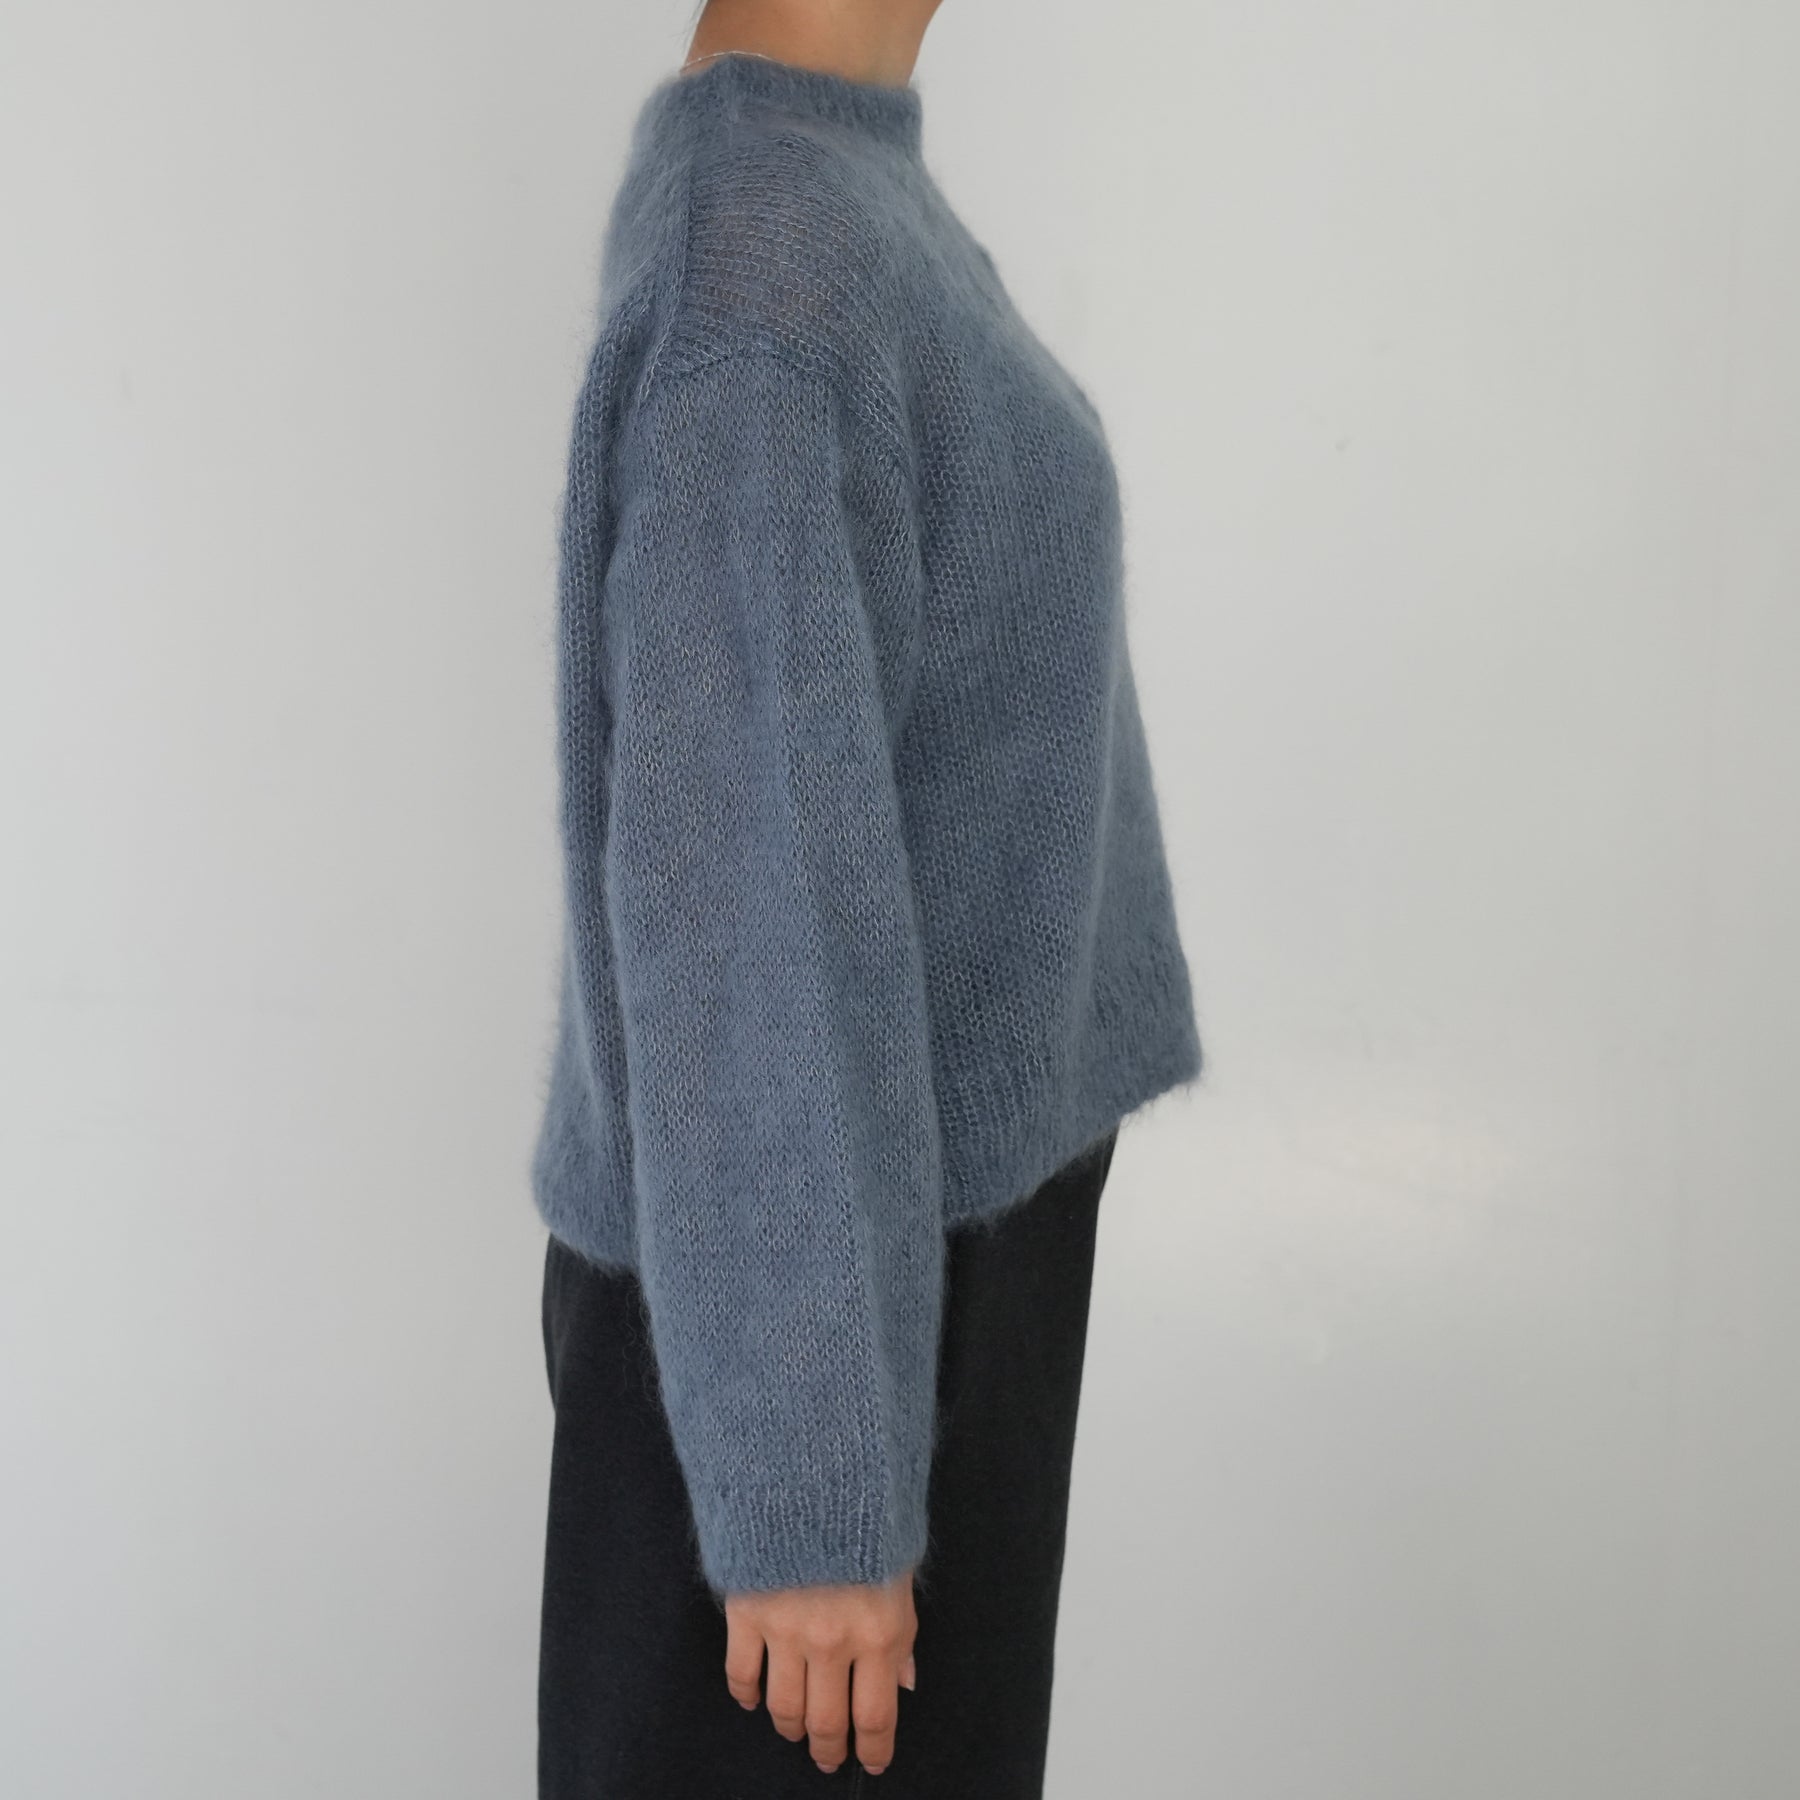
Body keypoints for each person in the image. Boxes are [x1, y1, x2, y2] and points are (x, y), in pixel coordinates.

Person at [529, 2, 1205, 1792]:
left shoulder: (829, 182)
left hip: (901, 1282)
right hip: (817, 1336)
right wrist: (806, 1490)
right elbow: (733, 890)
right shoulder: (766, 258)